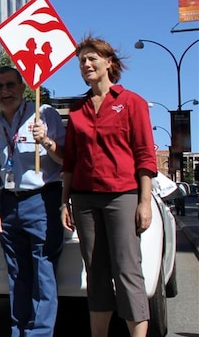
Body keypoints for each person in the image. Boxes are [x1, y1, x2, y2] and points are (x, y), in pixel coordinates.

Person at [60, 37, 156, 337]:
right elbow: (70, 163)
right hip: (84, 200)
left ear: (109, 63)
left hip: (122, 196)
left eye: (92, 59)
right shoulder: (77, 110)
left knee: (127, 270)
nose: (86, 65)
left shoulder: (132, 103)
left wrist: (144, 202)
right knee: (96, 273)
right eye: (81, 62)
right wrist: (65, 202)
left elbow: (144, 155)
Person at [0, 66, 65, 337]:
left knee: (43, 272)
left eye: (10, 85)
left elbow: (67, 158)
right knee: (17, 274)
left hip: (43, 200)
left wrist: (47, 142)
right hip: (9, 204)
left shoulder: (44, 114)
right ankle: (19, 330)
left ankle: (39, 333)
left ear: (23, 87)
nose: (5, 91)